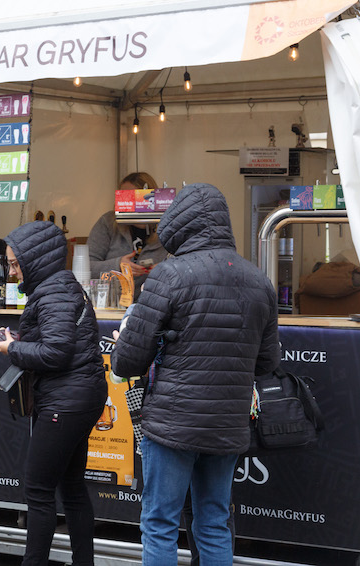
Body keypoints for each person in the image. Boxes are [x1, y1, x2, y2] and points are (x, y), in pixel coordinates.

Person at [110, 183, 280, 566]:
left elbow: (127, 362)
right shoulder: (260, 282)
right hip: (227, 424)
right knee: (214, 523)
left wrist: (126, 345)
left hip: (172, 423)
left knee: (160, 524)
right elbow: (267, 363)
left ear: (179, 224)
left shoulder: (168, 276)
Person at [0, 221, 108, 566]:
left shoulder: (53, 293)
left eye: (15, 264)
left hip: (65, 401)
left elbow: (56, 353)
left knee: (39, 491)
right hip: (79, 397)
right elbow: (58, 342)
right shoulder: (59, 287)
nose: (12, 272)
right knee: (72, 487)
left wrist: (12, 349)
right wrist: (16, 341)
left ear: (34, 259)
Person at [87, 172, 168, 298]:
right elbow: (86, 268)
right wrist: (117, 266)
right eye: (124, 198)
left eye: (135, 198)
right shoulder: (108, 222)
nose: (129, 204)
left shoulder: (167, 228)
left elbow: (186, 266)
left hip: (152, 303)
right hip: (110, 304)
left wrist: (166, 269)